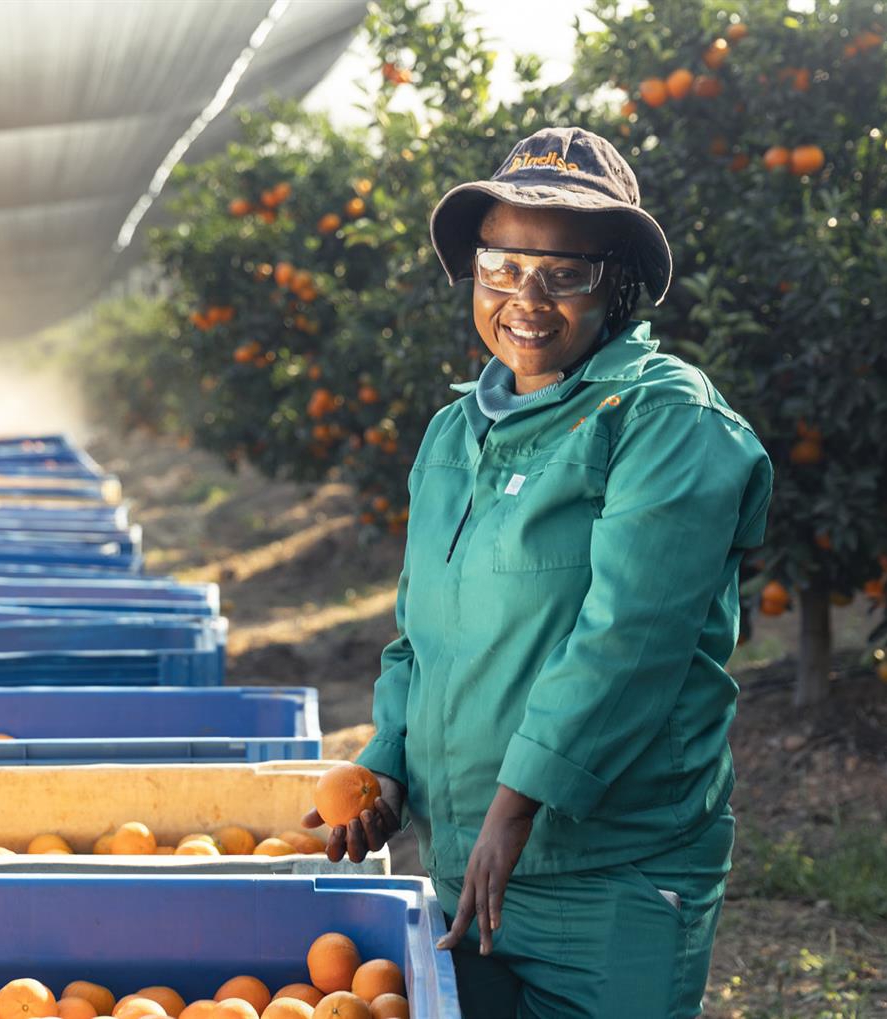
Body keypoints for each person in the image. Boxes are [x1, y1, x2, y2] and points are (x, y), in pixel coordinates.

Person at [303, 126, 774, 1018]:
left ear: (618, 286)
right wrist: (387, 767)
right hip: (468, 866)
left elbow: (630, 639)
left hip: (609, 871)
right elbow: (422, 637)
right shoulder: (455, 435)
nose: (526, 297)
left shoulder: (664, 419)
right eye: (501, 266)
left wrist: (515, 810)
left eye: (564, 273)